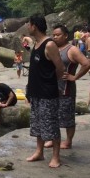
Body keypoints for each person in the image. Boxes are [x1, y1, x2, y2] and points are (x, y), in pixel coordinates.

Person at [25, 15, 65, 169]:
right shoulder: (36, 44)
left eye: (29, 24)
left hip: (48, 92)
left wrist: (55, 85)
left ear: (34, 26)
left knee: (51, 124)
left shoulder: (49, 44)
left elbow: (60, 68)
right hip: (35, 91)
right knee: (37, 124)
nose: (28, 26)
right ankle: (39, 152)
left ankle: (56, 157)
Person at [46, 24, 90, 150]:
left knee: (67, 116)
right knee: (52, 115)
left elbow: (87, 64)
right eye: (53, 35)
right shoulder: (53, 48)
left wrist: (74, 77)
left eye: (58, 35)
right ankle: (52, 139)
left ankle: (68, 141)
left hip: (66, 89)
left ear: (65, 36)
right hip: (52, 88)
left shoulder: (72, 50)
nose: (55, 37)